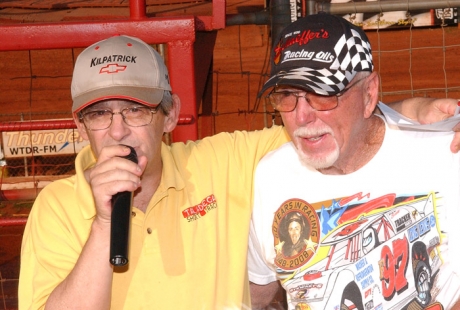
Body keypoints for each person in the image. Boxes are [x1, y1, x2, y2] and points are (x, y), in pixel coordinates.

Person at [17, 34, 459, 309]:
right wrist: (102, 225)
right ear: (79, 127)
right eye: (99, 115)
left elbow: (325, 129)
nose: (117, 131)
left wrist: (409, 112)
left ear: (169, 117)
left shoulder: (224, 161)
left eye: (135, 110)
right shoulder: (55, 208)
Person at [247, 12, 460, 310]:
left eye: (321, 95)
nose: (302, 117)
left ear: (369, 94)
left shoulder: (444, 152)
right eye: (286, 96)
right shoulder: (269, 176)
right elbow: (257, 295)